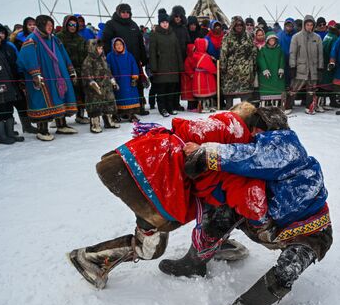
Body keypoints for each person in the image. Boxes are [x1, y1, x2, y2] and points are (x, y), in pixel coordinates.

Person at [162, 107, 332, 305]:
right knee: (221, 209)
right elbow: (248, 155)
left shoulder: (285, 147)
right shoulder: (267, 150)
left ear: (262, 128)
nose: (249, 135)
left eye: (252, 130)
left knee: (287, 270)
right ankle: (195, 262)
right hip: (271, 223)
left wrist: (203, 153)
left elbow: (246, 155)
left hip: (312, 231)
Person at [68, 103, 266, 290]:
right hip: (153, 176)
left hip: (144, 161)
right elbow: (209, 182)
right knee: (151, 247)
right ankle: (88, 258)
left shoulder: (223, 126)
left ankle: (213, 243)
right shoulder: (235, 134)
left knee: (214, 206)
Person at [17, 15, 78, 141]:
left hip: (58, 75)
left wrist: (70, 69)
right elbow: (27, 58)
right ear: (41, 26)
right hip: (42, 76)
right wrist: (35, 74)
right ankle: (42, 130)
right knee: (43, 100)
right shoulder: (31, 40)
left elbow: (63, 54)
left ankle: (61, 125)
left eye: (52, 26)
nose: (50, 28)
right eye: (48, 26)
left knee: (59, 97)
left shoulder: (54, 39)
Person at [0, 21, 38, 134]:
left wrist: (21, 75)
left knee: (22, 103)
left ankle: (27, 126)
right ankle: (7, 131)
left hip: (15, 79)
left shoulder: (9, 46)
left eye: (2, 32)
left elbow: (18, 60)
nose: (0, 35)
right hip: (1, 82)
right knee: (6, 107)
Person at [102, 4, 149, 116]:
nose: (125, 14)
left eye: (127, 12)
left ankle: (139, 107)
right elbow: (106, 42)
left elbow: (140, 43)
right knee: (121, 86)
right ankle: (121, 110)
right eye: (123, 12)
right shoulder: (111, 24)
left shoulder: (133, 25)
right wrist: (111, 57)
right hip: (118, 61)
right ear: (118, 12)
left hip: (134, 60)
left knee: (137, 84)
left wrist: (143, 57)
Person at [285, 15, 323, 115]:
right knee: (294, 88)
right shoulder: (296, 37)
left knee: (311, 89)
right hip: (300, 68)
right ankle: (288, 106)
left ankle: (309, 107)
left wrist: (320, 67)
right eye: (307, 24)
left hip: (313, 68)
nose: (309, 27)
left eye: (311, 25)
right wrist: (292, 67)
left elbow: (320, 54)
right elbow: (292, 53)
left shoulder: (317, 38)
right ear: (304, 25)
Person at [149, 10, 184, 117]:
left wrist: (180, 66)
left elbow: (177, 51)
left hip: (172, 67)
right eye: (163, 22)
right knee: (162, 91)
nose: (165, 24)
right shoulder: (155, 35)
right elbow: (152, 52)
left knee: (171, 90)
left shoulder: (172, 34)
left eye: (167, 22)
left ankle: (170, 107)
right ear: (160, 23)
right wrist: (154, 67)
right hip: (161, 67)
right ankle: (162, 108)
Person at [81, 39, 120, 133]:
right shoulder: (88, 61)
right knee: (95, 105)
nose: (100, 50)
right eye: (98, 48)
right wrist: (92, 83)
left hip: (106, 86)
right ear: (92, 48)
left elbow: (108, 71)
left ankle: (109, 121)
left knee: (109, 103)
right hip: (94, 88)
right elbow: (86, 74)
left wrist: (112, 80)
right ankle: (95, 123)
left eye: (101, 48)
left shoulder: (103, 58)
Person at [57, 15, 89, 125]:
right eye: (70, 24)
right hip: (64, 70)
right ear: (65, 24)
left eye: (74, 25)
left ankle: (80, 115)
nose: (72, 27)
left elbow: (85, 54)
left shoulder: (80, 39)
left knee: (80, 93)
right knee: (64, 93)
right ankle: (61, 118)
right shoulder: (58, 38)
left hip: (79, 70)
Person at [220, 16, 257, 109]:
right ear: (233, 25)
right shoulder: (227, 37)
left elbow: (253, 51)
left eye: (241, 25)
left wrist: (253, 64)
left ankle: (244, 115)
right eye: (236, 25)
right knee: (229, 95)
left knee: (245, 96)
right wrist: (223, 67)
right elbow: (223, 53)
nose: (239, 27)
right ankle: (229, 115)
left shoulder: (248, 36)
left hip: (245, 71)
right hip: (231, 71)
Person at [106, 37, 141, 122]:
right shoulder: (110, 56)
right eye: (117, 44)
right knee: (118, 98)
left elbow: (134, 66)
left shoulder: (129, 55)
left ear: (124, 45)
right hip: (117, 82)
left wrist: (134, 77)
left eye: (120, 44)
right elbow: (107, 68)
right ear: (113, 46)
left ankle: (131, 114)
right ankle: (116, 115)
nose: (119, 46)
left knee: (130, 97)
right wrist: (111, 79)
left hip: (129, 81)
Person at [257, 32, 285, 107]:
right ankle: (265, 104)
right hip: (267, 74)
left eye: (273, 40)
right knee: (266, 89)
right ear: (267, 41)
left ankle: (277, 105)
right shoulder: (262, 50)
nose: (272, 42)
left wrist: (281, 68)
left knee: (277, 89)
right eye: (270, 40)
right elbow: (261, 60)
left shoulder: (279, 50)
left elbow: (282, 59)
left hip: (276, 73)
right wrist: (264, 69)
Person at [192, 38, 218, 112]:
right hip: (205, 75)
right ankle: (205, 107)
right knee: (206, 91)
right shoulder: (204, 56)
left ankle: (203, 106)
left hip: (198, 75)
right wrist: (215, 71)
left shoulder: (196, 54)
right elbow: (210, 66)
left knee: (202, 91)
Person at [276, 18, 296, 88]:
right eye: (287, 25)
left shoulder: (296, 35)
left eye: (291, 25)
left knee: (292, 82)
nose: (289, 27)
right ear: (284, 25)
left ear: (293, 26)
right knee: (282, 81)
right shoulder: (279, 35)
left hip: (293, 63)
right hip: (282, 62)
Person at [181, 43, 197, 111]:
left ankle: (194, 106)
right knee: (190, 94)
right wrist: (192, 74)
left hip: (193, 78)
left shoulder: (194, 58)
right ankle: (190, 106)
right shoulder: (188, 59)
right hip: (189, 79)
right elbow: (187, 69)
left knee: (194, 93)